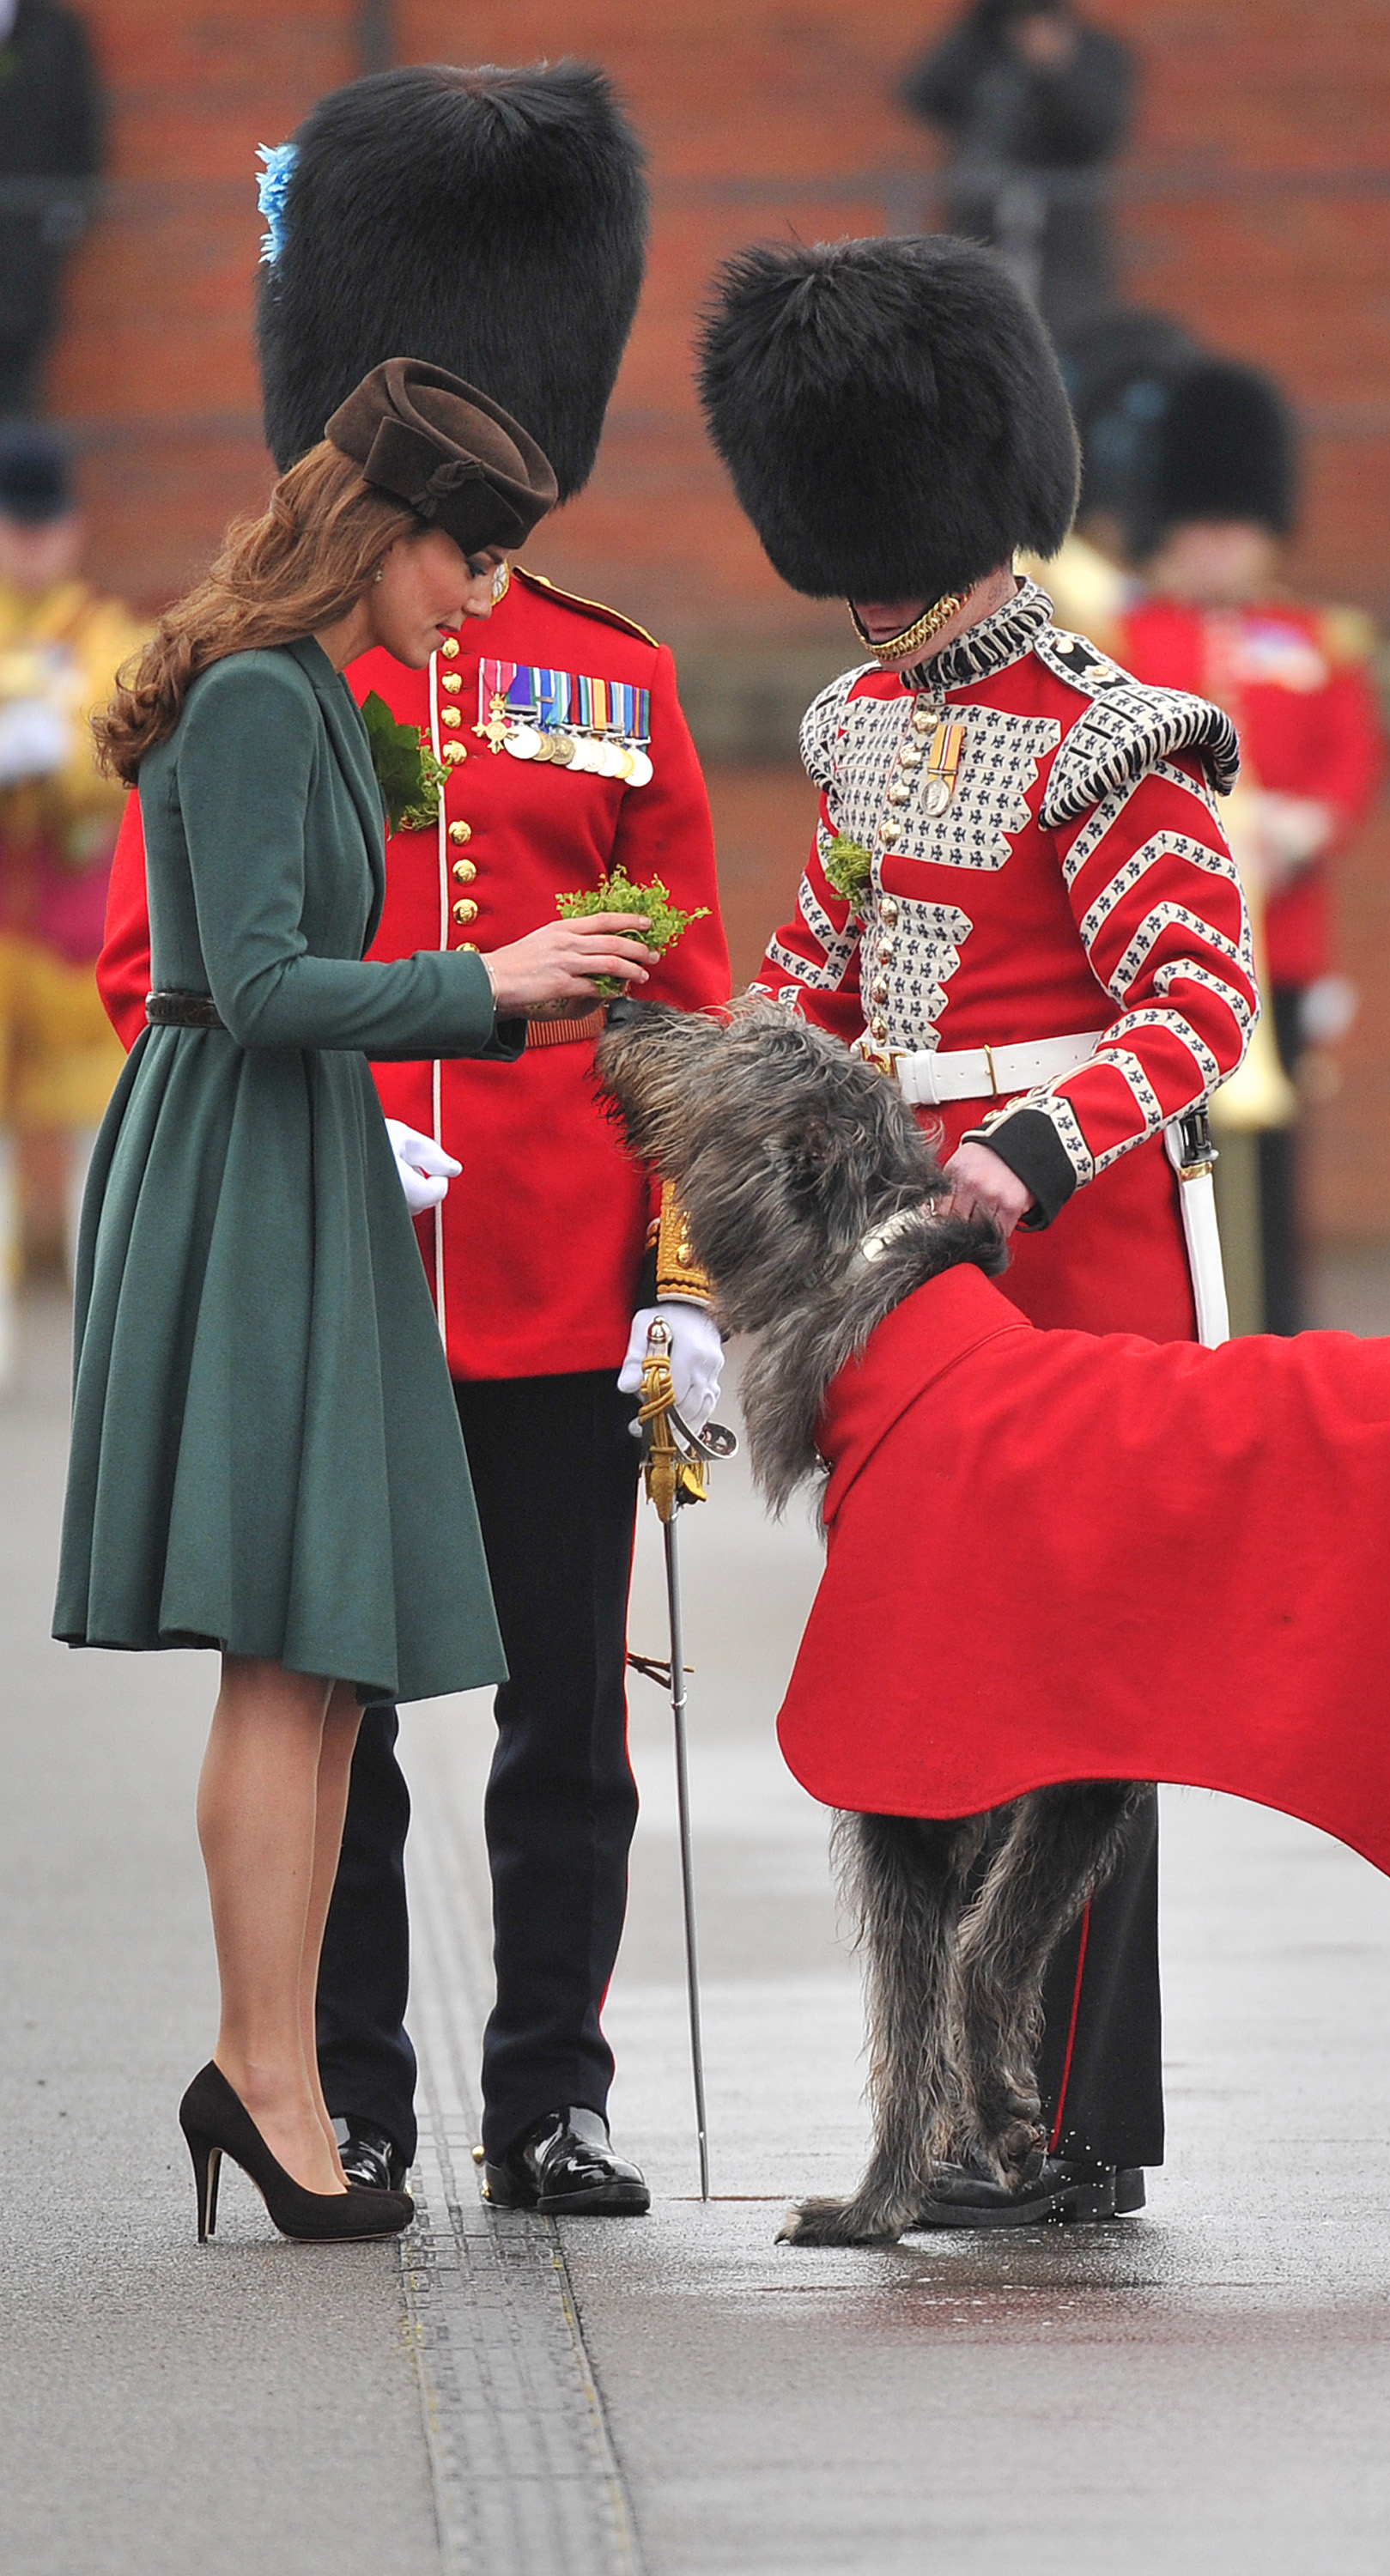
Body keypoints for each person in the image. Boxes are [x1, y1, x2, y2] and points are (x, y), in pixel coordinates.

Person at [94, 64, 731, 2218]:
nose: (477, 579)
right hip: (340, 1259)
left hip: (555, 1267)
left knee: (566, 1733)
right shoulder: (267, 675)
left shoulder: (609, 684)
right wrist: (353, 1123)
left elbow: (685, 1011)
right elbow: (154, 964)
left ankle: (546, 2088)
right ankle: (341, 2087)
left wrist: (686, 1279)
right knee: (337, 1720)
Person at [699, 231, 1253, 2223]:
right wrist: (708, 1210)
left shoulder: (1120, 737)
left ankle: (1061, 2118)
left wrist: (1022, 1145)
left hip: (1074, 1268)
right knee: (937, 1676)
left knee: (1082, 1698)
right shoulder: (858, 726)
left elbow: (1197, 1015)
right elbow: (814, 979)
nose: (865, 585)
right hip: (899, 1283)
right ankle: (945, 2096)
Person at [1117, 360, 1388, 1334]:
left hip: (1287, 928)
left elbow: (1350, 755)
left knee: (1278, 1152)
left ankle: (1275, 1321)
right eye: (1202, 530)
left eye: (1234, 529)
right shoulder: (1130, 639)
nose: (1219, 549)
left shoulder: (1315, 637)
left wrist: (1306, 825)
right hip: (1172, 933)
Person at [0, 425, 143, 1382]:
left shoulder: (109, 636)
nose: (32, 545)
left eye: (45, 527)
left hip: (71, 938)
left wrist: (54, 738)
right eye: (17, 526)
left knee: (105, 1151)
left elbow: (118, 744)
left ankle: (110, 1357)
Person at [901, 0, 1136, 333]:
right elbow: (923, 91)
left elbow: (1097, 132)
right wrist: (981, 19)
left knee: (1066, 334)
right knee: (971, 328)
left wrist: (1054, 70)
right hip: (979, 223)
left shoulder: (1096, 51)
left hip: (1060, 234)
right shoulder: (982, 46)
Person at [0, 0, 100, 416]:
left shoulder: (55, 31)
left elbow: (81, 135)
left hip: (24, 264)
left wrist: (56, 225)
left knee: (17, 396)